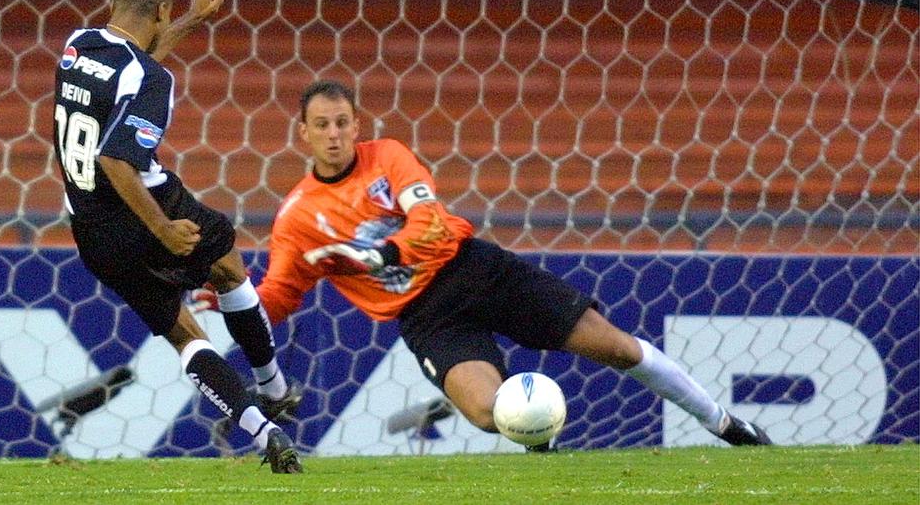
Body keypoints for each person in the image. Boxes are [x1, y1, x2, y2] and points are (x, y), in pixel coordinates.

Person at [203, 79, 772, 450]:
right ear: (303, 133)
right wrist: (236, 298)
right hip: (428, 316)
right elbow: (282, 292)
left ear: (357, 125)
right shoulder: (298, 218)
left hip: (475, 270)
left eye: (342, 122)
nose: (333, 134)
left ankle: (724, 423)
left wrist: (383, 253)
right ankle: (542, 439)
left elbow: (428, 220)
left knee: (617, 348)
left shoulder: (388, 157)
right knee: (486, 413)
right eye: (322, 125)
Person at [52, 0, 302, 472]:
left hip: (92, 232)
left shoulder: (78, 46)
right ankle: (273, 386)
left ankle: (265, 432)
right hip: (146, 207)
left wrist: (193, 18)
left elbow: (133, 67)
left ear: (114, 3)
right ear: (161, 10)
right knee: (227, 261)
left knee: (185, 336)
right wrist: (162, 228)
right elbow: (115, 158)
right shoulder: (152, 79)